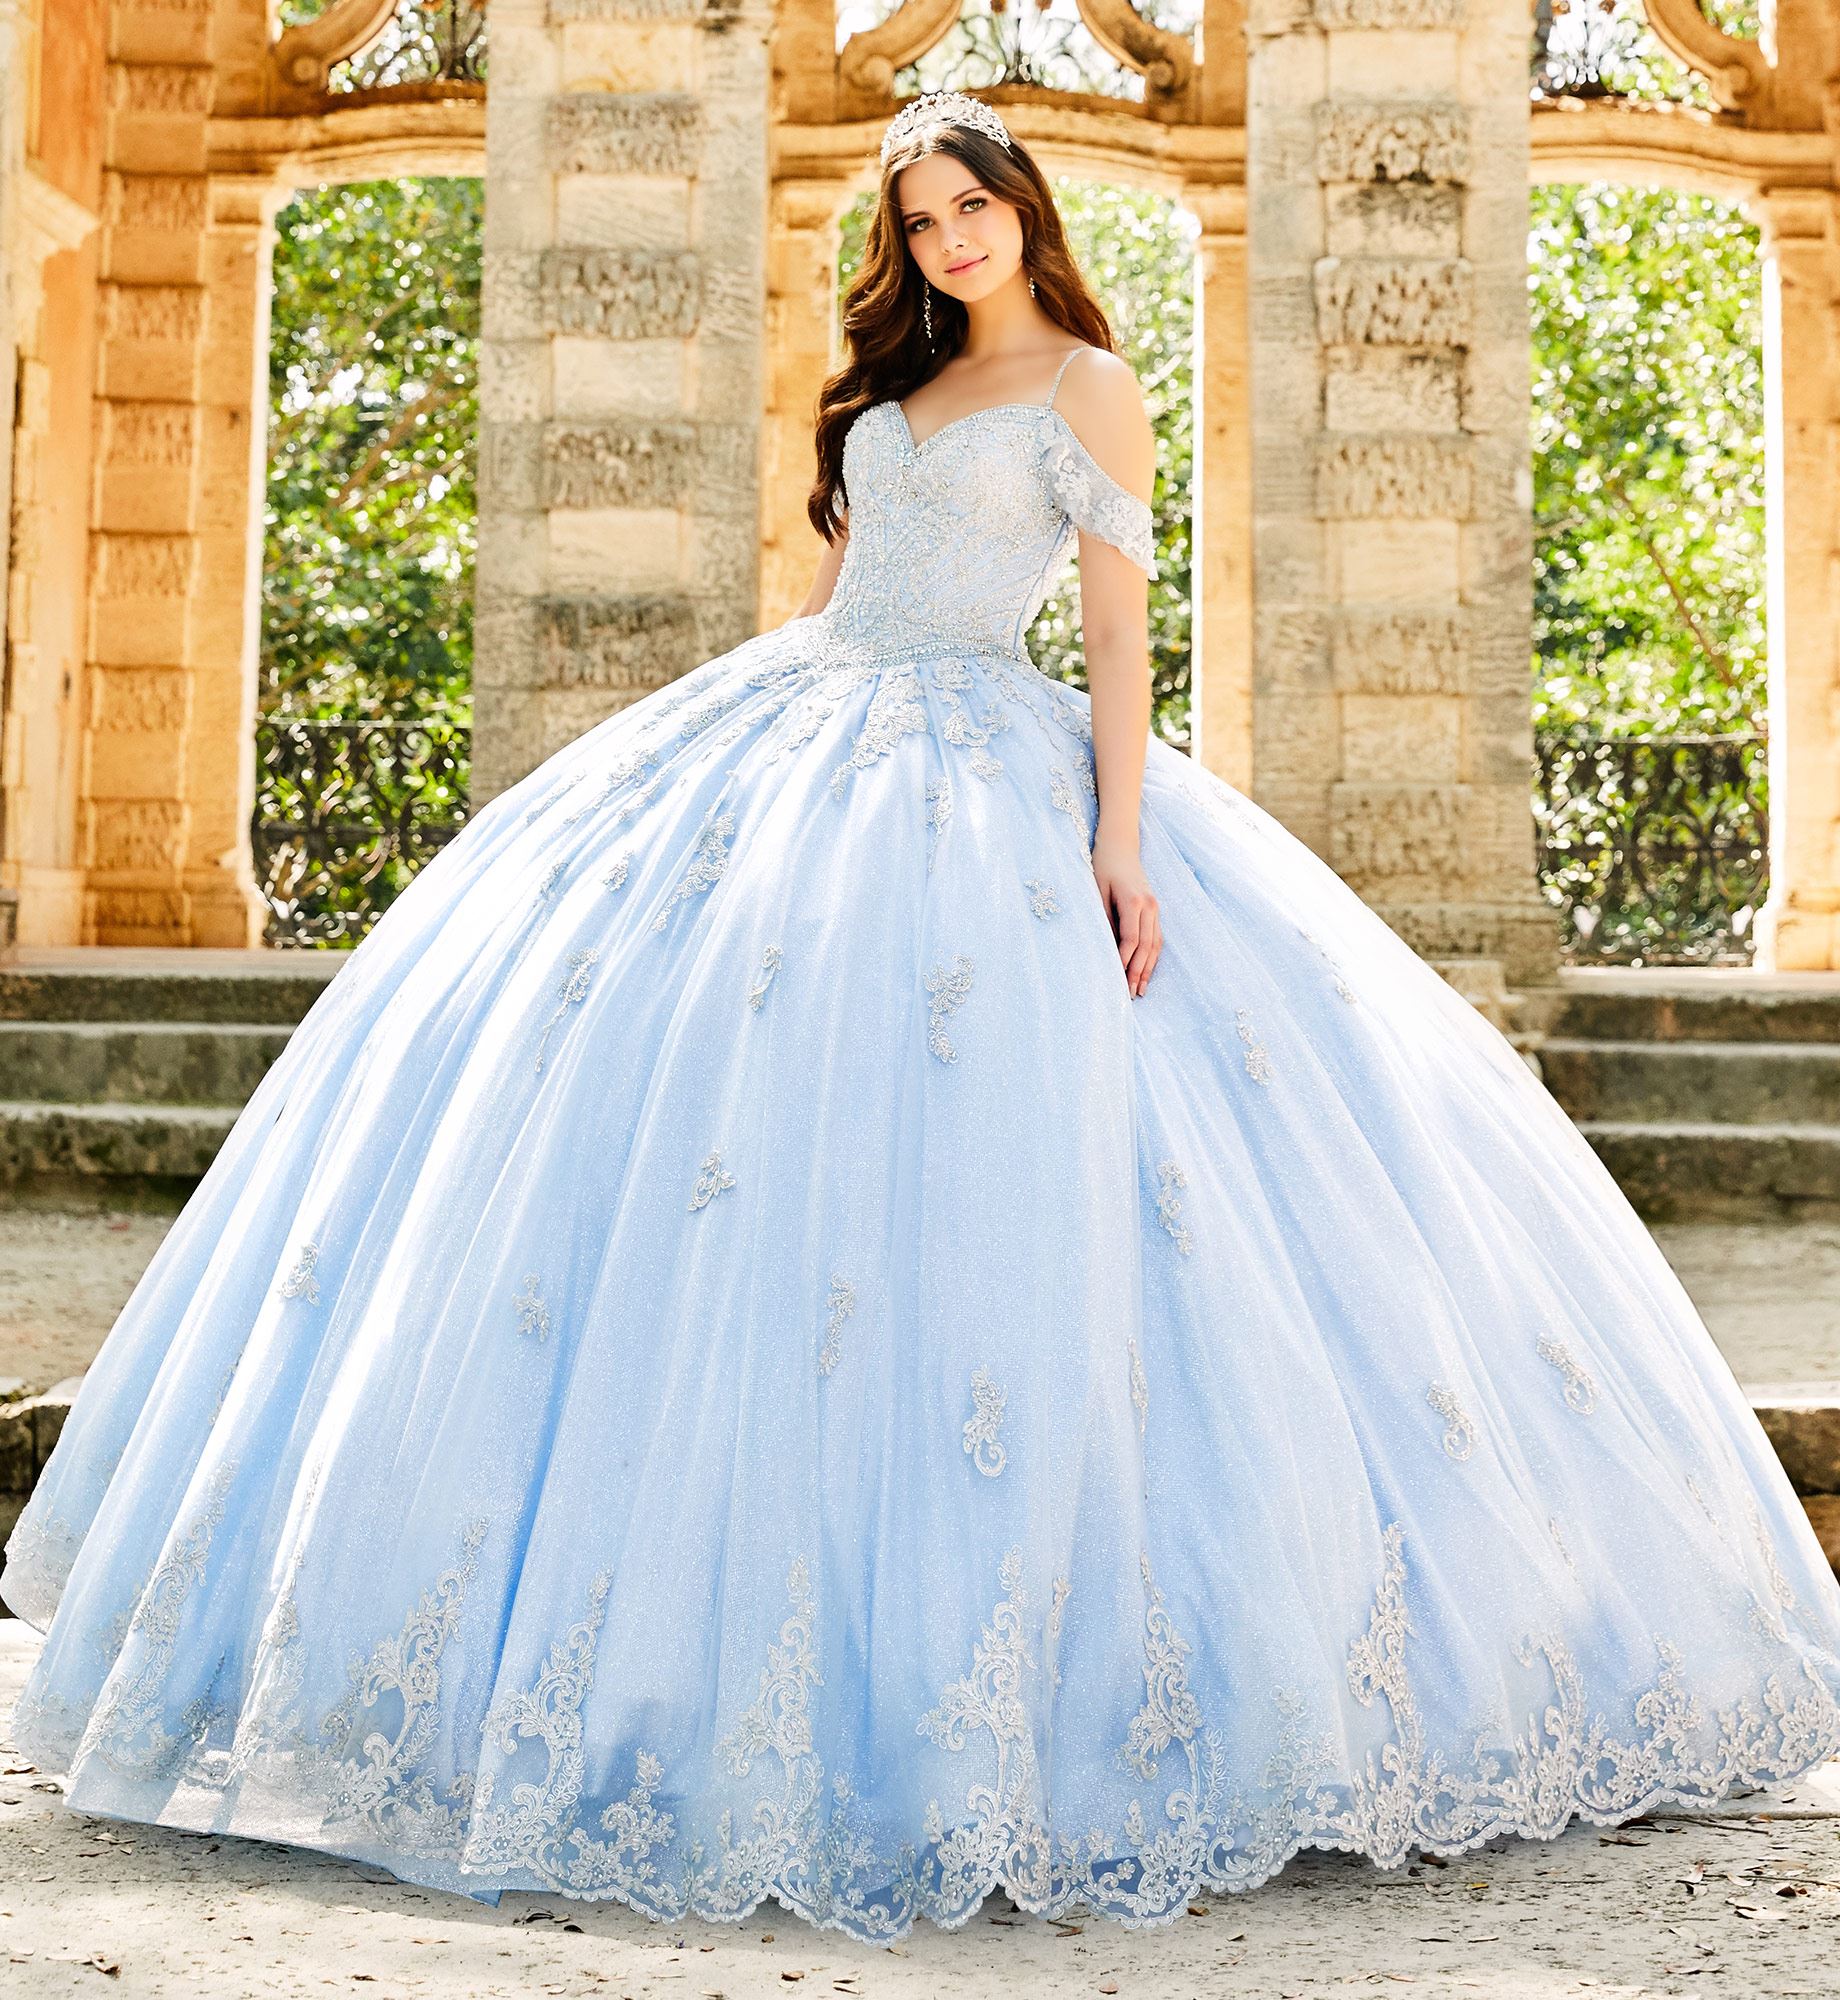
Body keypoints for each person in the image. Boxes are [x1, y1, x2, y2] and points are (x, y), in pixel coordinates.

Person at [5, 89, 1839, 1947]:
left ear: (1026, 211)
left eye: (974, 208)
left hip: (992, 756)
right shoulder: (888, 391)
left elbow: (1119, 638)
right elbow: (838, 594)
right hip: (803, 726)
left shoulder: (1084, 389)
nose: (953, 241)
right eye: (926, 219)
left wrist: (1123, 847)